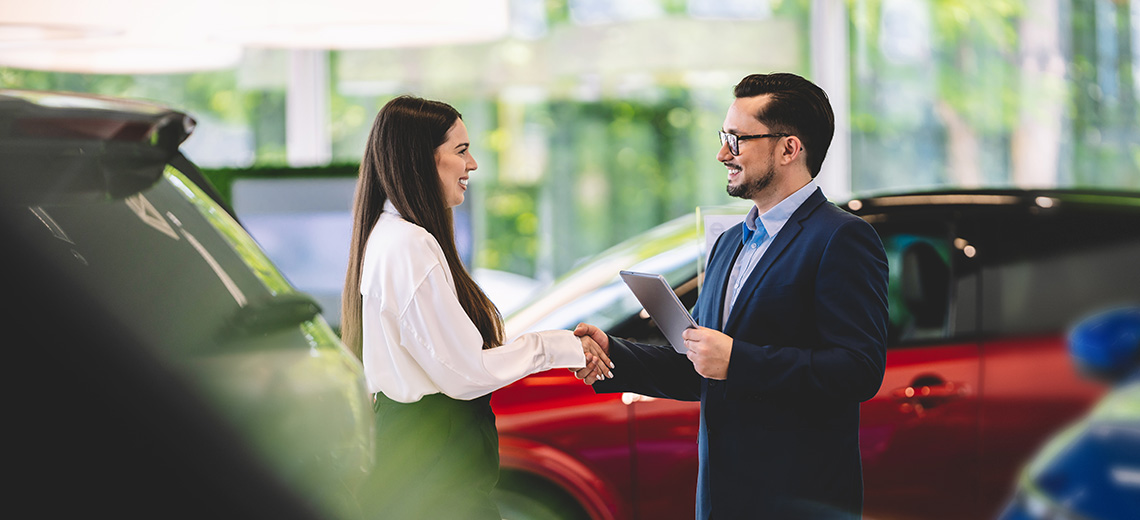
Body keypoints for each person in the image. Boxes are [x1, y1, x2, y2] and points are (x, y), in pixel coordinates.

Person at [574, 73, 889, 519]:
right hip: (723, 498)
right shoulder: (730, 243)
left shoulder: (842, 238)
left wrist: (738, 360)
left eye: (737, 140)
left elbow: (858, 370)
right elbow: (699, 367)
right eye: (724, 137)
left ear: (788, 148)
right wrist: (616, 355)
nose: (723, 153)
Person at [341, 95, 612, 520]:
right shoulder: (410, 244)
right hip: (435, 464)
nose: (473, 165)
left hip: (416, 457)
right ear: (420, 159)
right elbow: (465, 371)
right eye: (461, 151)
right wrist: (560, 348)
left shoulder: (389, 234)